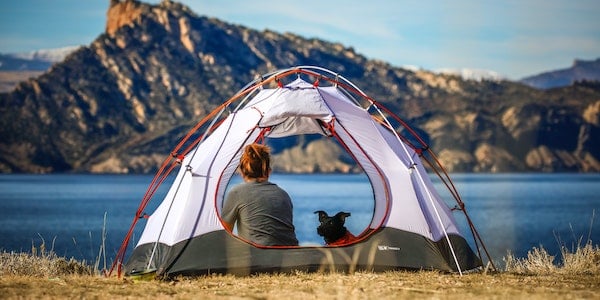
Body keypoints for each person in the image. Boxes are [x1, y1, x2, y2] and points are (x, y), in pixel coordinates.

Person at [221, 143, 298, 246]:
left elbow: (225, 233)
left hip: (258, 257)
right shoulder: (283, 195)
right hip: (291, 256)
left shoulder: (236, 193)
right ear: (268, 171)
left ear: (242, 171)